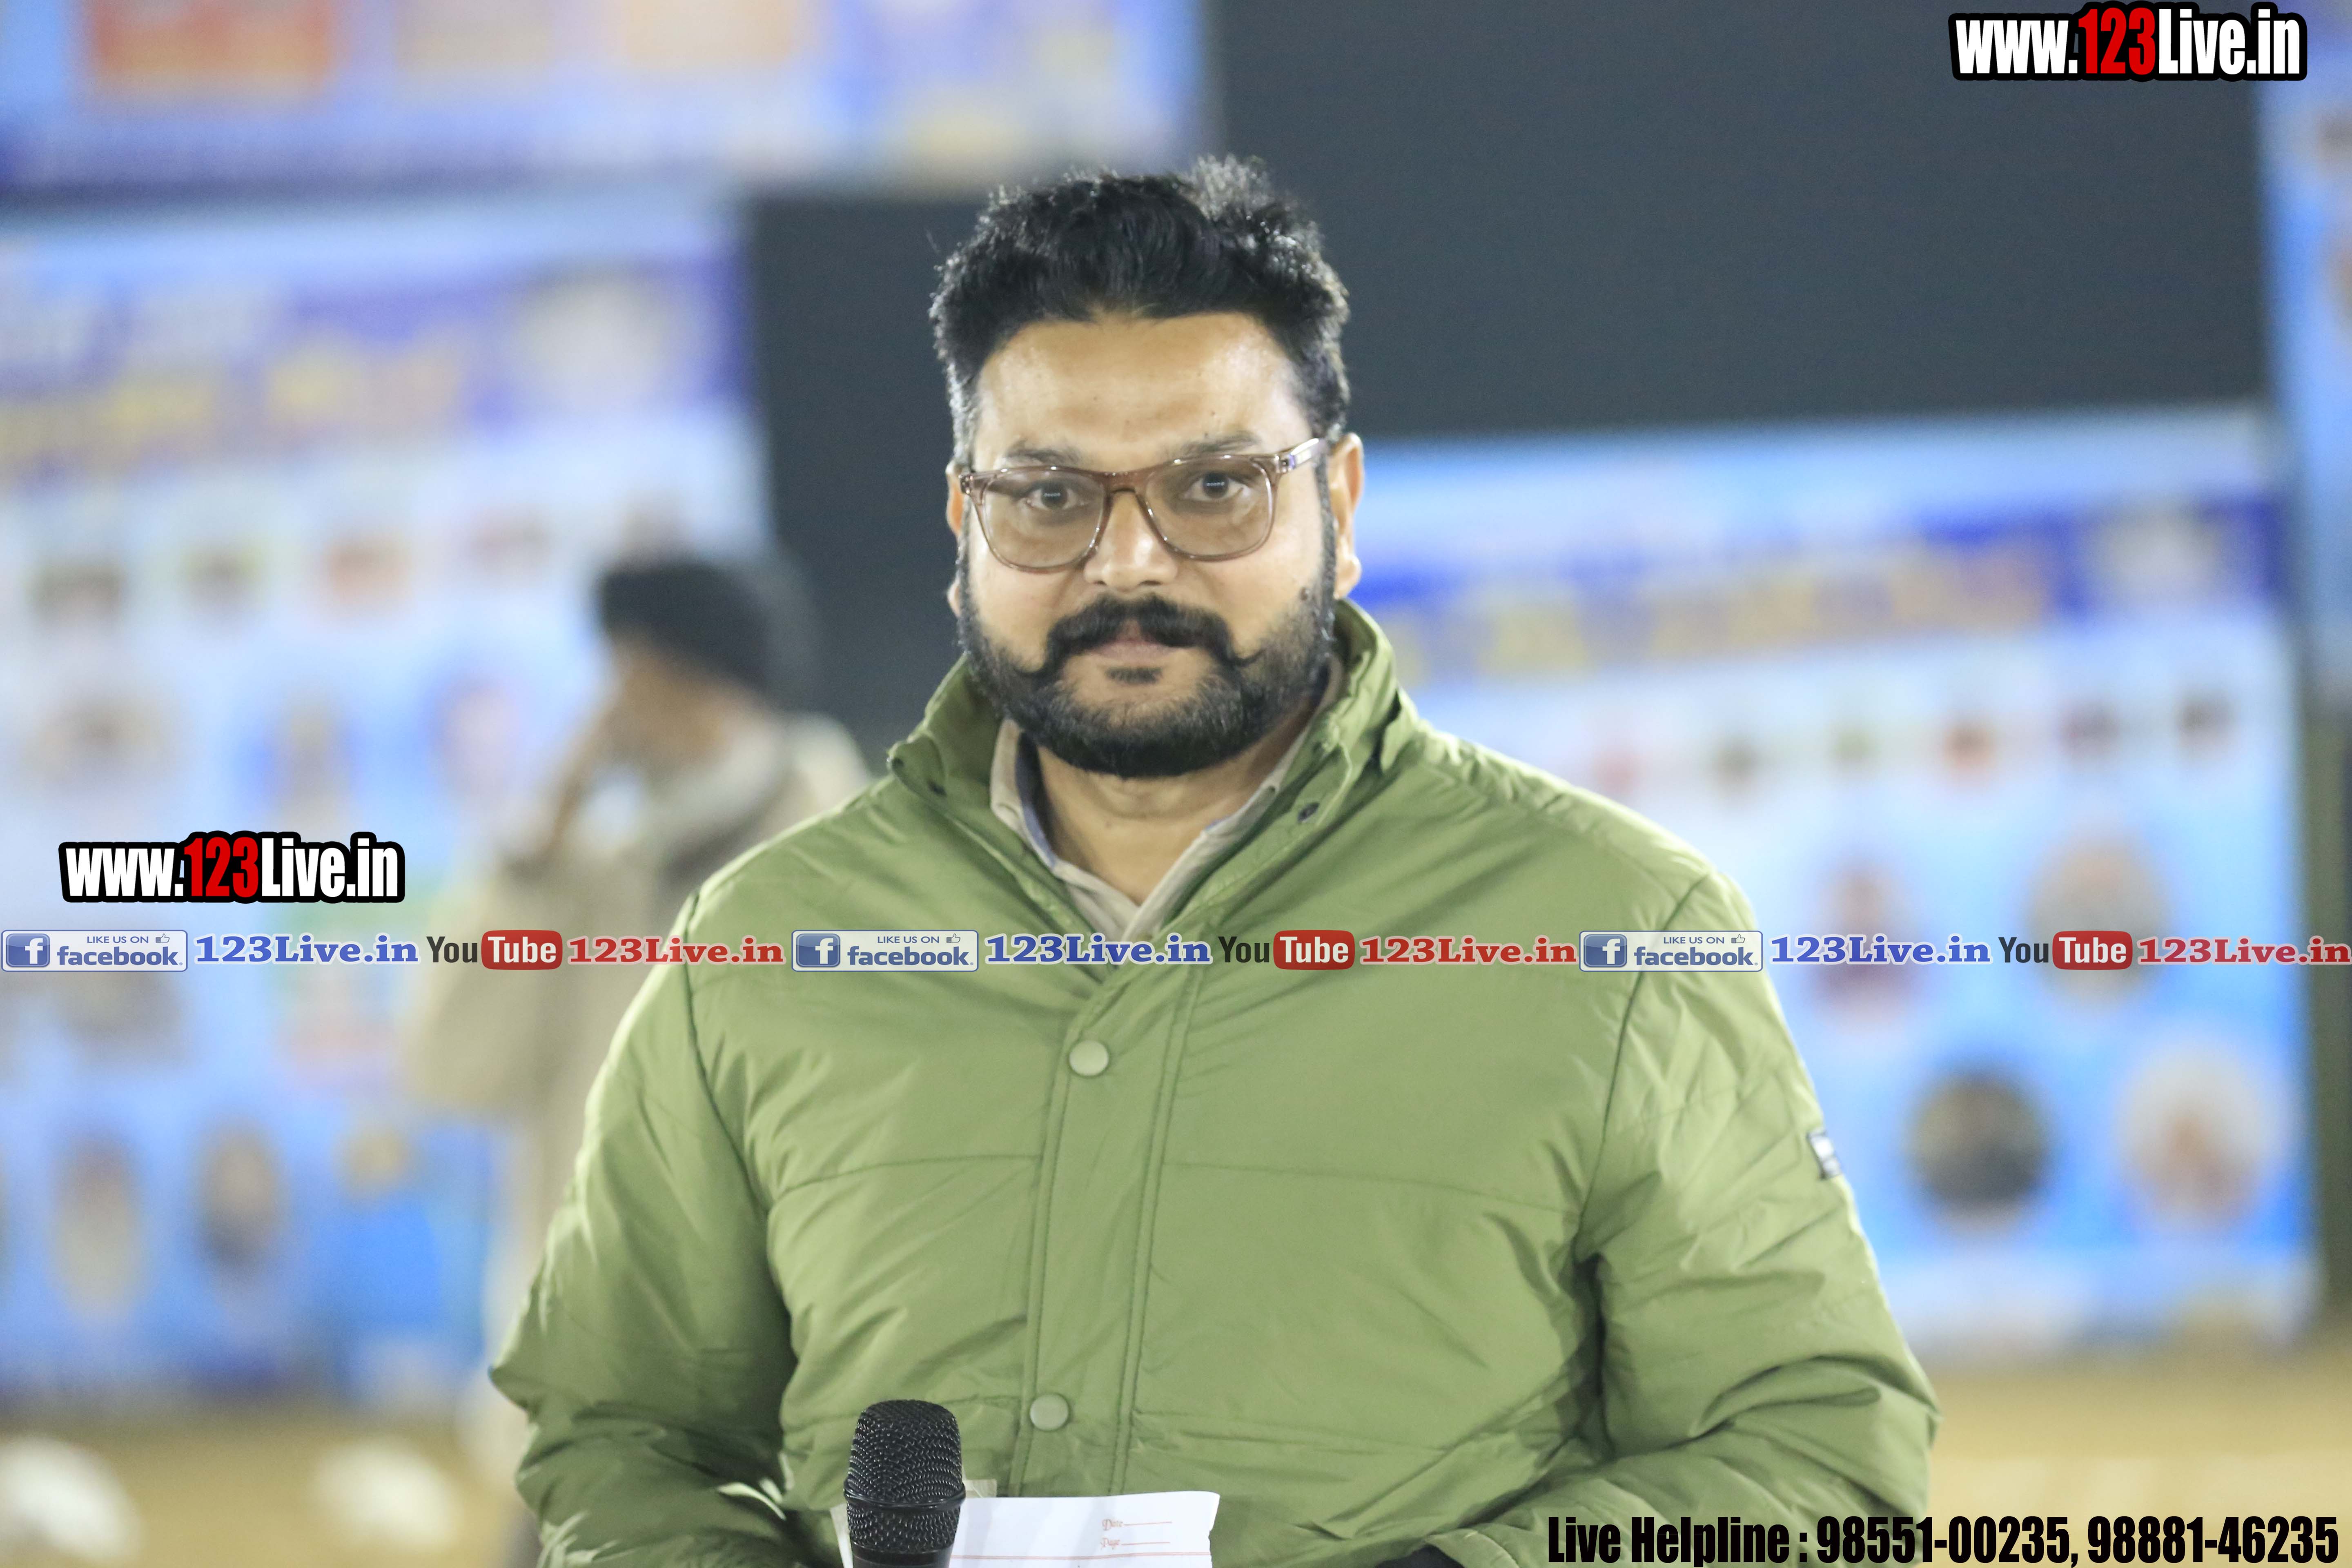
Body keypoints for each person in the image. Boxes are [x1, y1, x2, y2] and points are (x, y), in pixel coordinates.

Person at [490, 160, 1938, 1568]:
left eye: (1217, 487)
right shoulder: (766, 943)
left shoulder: (1615, 929)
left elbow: (1815, 1456)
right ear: (965, 522)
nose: (1128, 564)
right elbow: (625, 1439)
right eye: (1049, 496)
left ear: (1340, 507)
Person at [400, 555, 869, 1561]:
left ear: (714, 685)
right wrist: (534, 857)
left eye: (639, 675)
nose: (614, 710)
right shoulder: (584, 878)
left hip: (795, 1427)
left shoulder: (859, 869)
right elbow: (450, 1072)